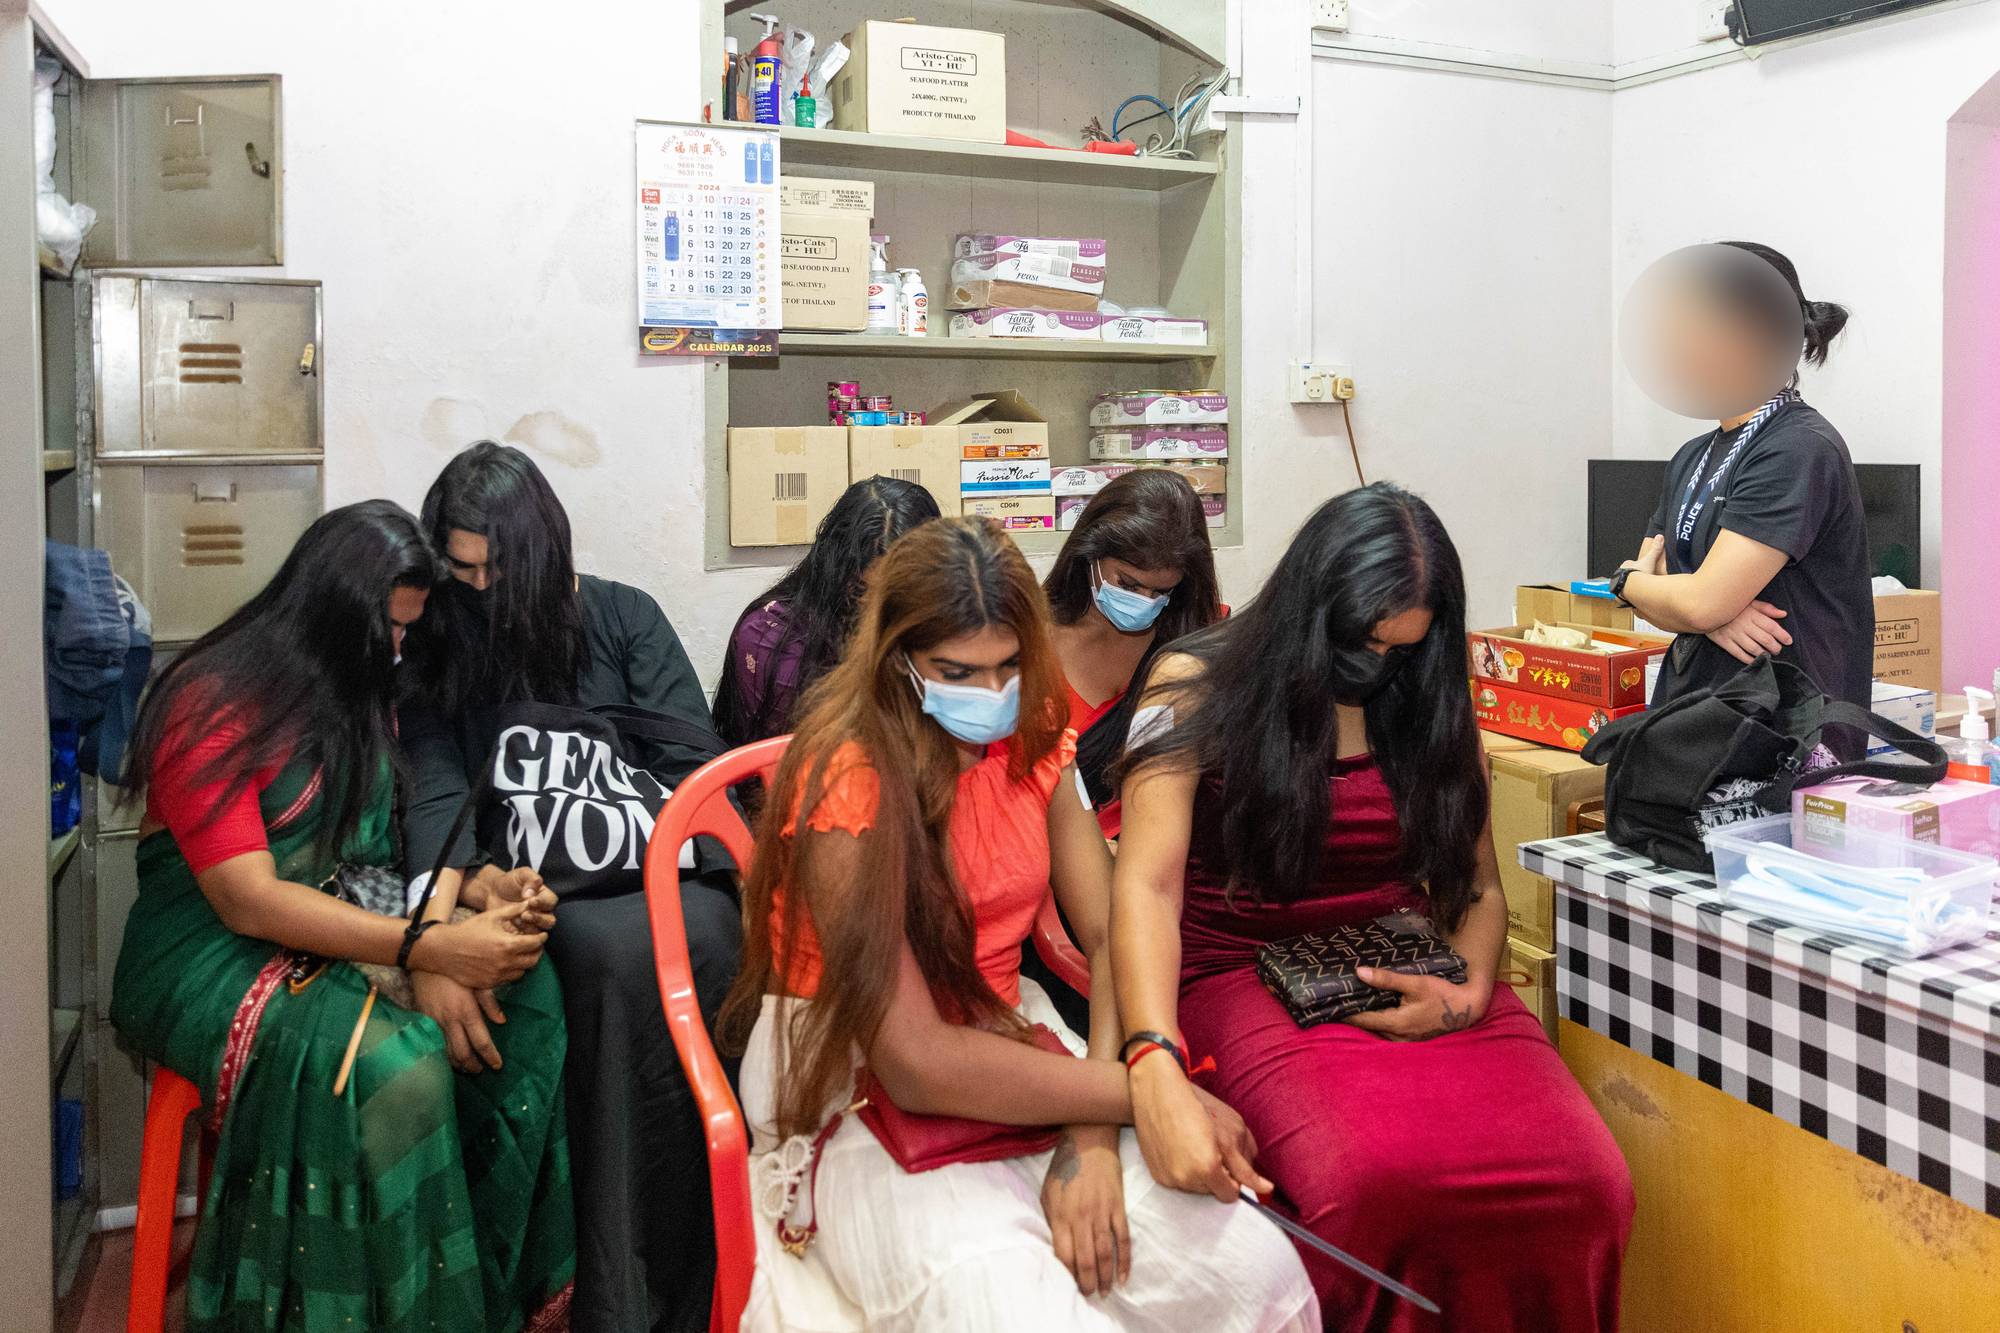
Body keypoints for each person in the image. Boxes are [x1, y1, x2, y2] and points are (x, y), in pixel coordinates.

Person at [720, 516, 1317, 1333]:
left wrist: (1095, 1141)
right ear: (897, 662)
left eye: (1007, 666)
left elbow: (1112, 934)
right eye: (957, 671)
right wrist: (1147, 1092)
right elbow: (918, 1064)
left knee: (1260, 1277)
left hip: (1013, 1039)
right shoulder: (848, 784)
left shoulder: (1032, 736)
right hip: (850, 1081)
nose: (990, 694)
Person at [1111, 484, 1633, 1332]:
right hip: (1238, 967)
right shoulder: (1193, 681)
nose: (1376, 668)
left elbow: (1480, 889)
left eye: (1400, 649)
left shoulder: (1427, 695)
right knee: (1365, 1192)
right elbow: (1144, 886)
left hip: (1412, 967)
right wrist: (1152, 1059)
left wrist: (1465, 995)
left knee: (1587, 1180)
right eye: (1359, 644)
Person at [108, 500, 575, 1332]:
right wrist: (426, 949)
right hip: (208, 955)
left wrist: (478, 890)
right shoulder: (208, 702)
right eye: (388, 631)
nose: (400, 649)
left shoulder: (356, 692)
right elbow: (249, 898)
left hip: (332, 920)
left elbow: (368, 859)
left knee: (531, 1006)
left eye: (407, 631)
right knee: (397, 1069)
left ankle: (485, 1296)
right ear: (331, 617)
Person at [398, 441, 732, 1333]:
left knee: (676, 943)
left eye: (497, 568)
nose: (478, 589)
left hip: (662, 870)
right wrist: (456, 902)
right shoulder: (439, 641)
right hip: (529, 887)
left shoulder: (625, 617)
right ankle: (609, 1286)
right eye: (459, 568)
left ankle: (684, 1275)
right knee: (600, 955)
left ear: (544, 552)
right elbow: (433, 784)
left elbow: (693, 764)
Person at [1615, 241, 1870, 728]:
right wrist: (1701, 608)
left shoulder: (1797, 448)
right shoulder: (1691, 455)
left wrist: (1635, 585)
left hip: (1784, 733)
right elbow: (1665, 574)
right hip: (1696, 721)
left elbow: (1676, 591)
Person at [1044, 468, 1223, 838]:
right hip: (1050, 863)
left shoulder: (1202, 648)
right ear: (1089, 555)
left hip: (1160, 859)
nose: (1142, 602)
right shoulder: (1023, 639)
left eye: (1160, 592)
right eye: (1127, 583)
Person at [713, 475, 940, 748]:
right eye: (863, 592)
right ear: (835, 573)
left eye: (902, 591)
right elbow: (808, 761)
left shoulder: (941, 620)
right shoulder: (773, 636)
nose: (882, 609)